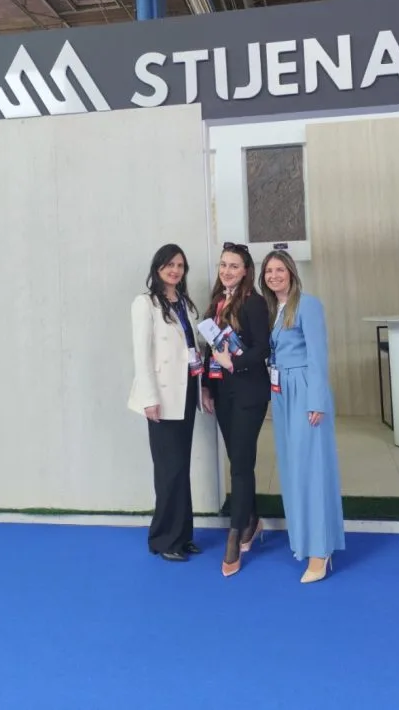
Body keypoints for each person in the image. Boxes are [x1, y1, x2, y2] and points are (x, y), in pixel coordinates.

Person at [259, 249, 345, 584]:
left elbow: (318, 355)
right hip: (282, 392)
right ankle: (304, 541)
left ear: (292, 273)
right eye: (269, 271)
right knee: (293, 469)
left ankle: (320, 551)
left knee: (312, 468)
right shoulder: (273, 310)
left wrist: (316, 401)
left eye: (280, 270)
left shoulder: (308, 305)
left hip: (305, 390)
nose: (274, 276)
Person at [129, 244, 203, 562]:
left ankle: (183, 536)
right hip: (161, 396)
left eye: (180, 265)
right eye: (169, 264)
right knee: (168, 470)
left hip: (185, 393)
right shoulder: (145, 304)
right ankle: (163, 539)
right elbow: (141, 355)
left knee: (181, 467)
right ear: (157, 267)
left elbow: (192, 347)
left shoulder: (184, 303)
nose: (175, 270)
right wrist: (149, 398)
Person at [202, 242, 271, 577]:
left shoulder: (253, 303)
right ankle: (252, 520)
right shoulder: (216, 302)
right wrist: (206, 386)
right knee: (239, 459)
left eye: (234, 266)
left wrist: (235, 362)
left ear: (245, 271)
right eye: (223, 265)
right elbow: (209, 349)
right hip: (222, 393)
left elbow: (262, 349)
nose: (227, 271)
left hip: (248, 393)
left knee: (240, 465)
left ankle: (234, 534)